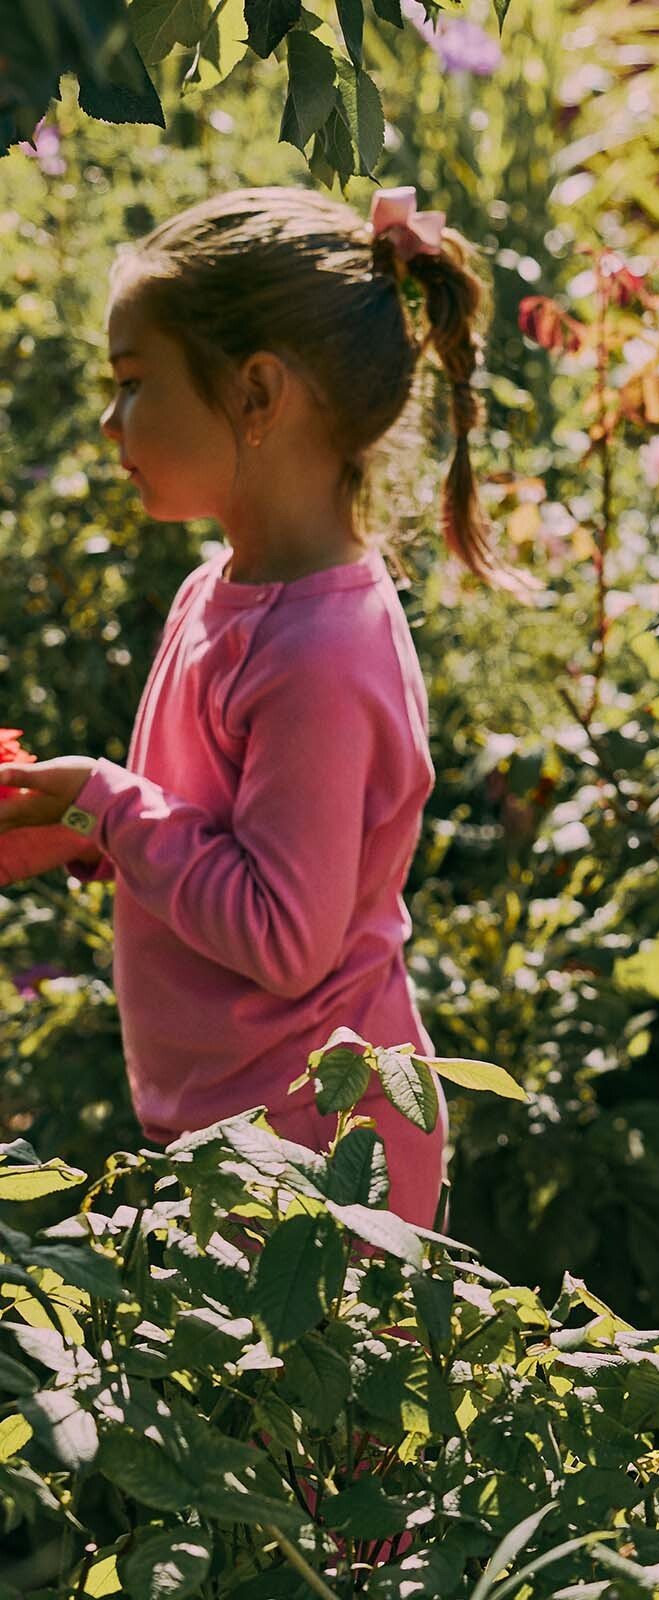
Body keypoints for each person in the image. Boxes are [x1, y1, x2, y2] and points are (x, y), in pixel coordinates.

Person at [0, 185, 528, 1226]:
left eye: (133, 382)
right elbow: (218, 835)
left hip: (325, 1162)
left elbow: (286, 935)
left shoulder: (322, 652)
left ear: (254, 395)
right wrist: (70, 827)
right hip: (242, 1136)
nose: (110, 421)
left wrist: (106, 805)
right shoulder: (222, 590)